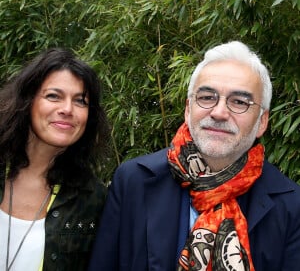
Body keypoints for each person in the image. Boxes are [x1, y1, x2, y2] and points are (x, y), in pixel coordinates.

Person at [88, 41, 300, 271]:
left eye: (239, 102)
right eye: (207, 97)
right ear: (188, 109)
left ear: (262, 122)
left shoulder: (290, 206)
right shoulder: (133, 182)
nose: (219, 113)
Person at [0, 48, 110, 271]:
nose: (67, 109)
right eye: (53, 96)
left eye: (80, 101)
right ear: (28, 101)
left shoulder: (93, 199)